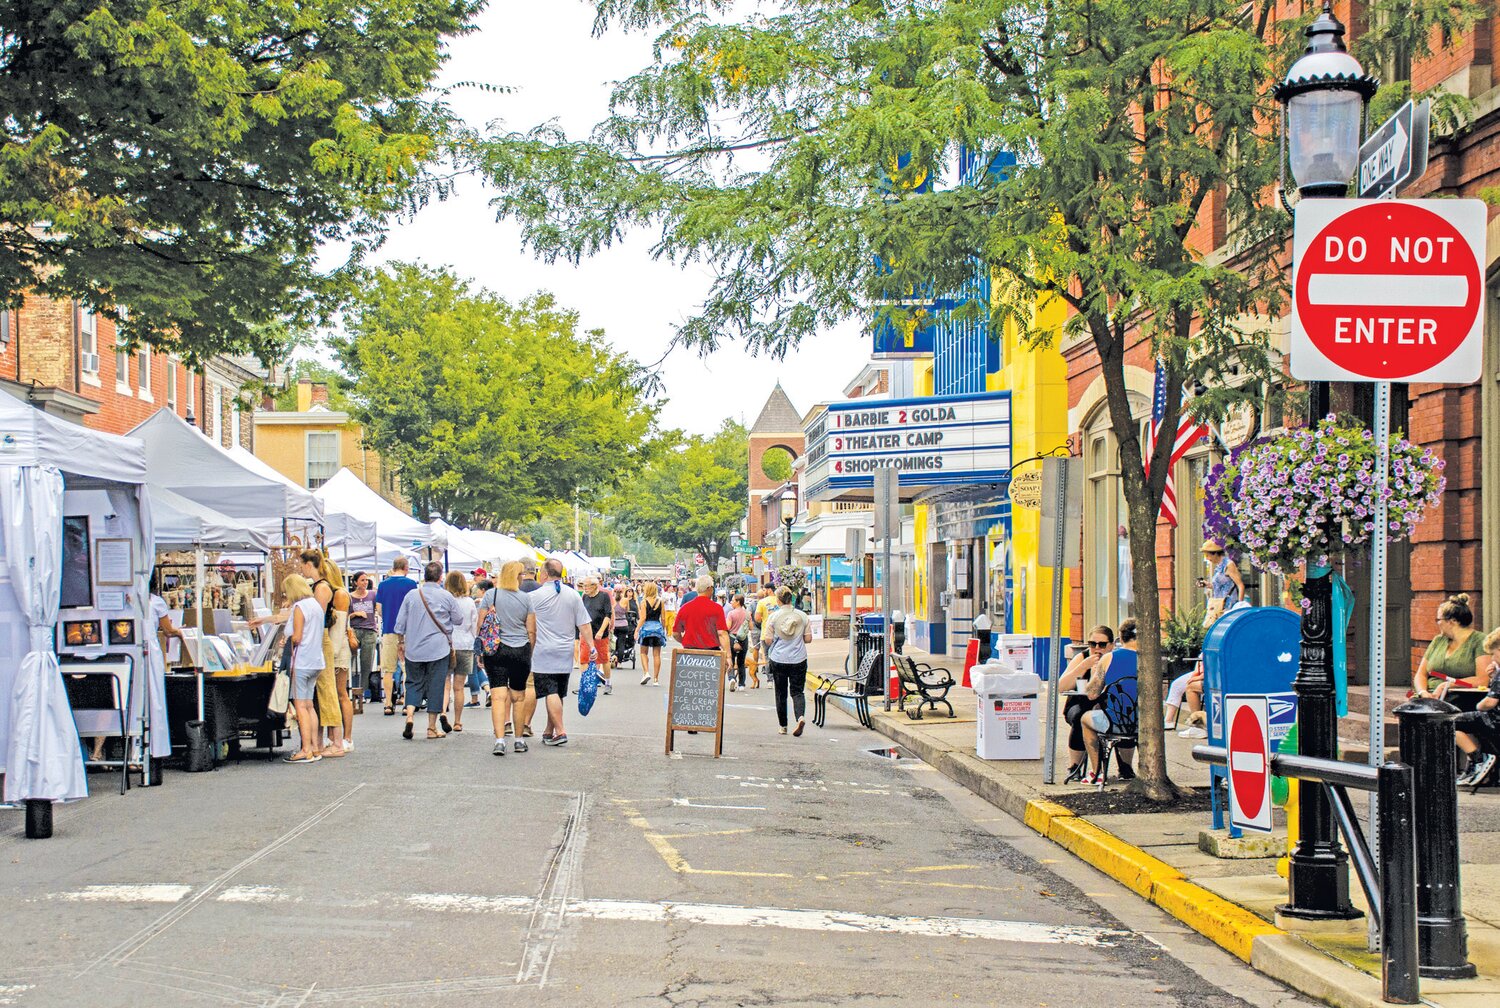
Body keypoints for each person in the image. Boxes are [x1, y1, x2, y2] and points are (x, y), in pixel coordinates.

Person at [393, 561, 465, 740]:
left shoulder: (411, 595)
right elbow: (458, 619)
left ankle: (409, 716)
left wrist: (401, 642)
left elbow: (400, 623)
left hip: (414, 648)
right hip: (438, 649)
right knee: (436, 685)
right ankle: (431, 728)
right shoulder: (446, 596)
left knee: (413, 682)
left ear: (424, 576)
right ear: (441, 577)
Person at [526, 558, 591, 747]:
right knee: (556, 692)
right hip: (565, 650)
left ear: (544, 573)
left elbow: (527, 625)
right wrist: (591, 646)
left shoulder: (534, 597)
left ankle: (561, 731)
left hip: (543, 651)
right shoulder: (573, 595)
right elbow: (584, 624)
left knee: (550, 691)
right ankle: (549, 730)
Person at [480, 561, 533, 755]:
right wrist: (531, 650)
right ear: (517, 576)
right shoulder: (526, 599)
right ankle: (519, 740)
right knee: (518, 697)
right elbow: (531, 629)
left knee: (498, 697)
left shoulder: (490, 595)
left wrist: (481, 649)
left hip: (495, 650)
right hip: (520, 650)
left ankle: (500, 740)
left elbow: (481, 624)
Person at [1079, 618, 1139, 784]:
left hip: (1115, 720)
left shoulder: (1109, 658)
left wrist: (1093, 672)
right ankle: (1126, 769)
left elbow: (1091, 694)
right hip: (1144, 722)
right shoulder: (1149, 660)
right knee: (1130, 718)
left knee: (1085, 719)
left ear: (1121, 637)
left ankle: (1097, 771)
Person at [1057, 626, 1114, 783]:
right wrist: (1083, 667)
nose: (1096, 648)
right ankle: (1074, 766)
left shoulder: (1113, 659)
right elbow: (1060, 686)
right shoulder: (1082, 658)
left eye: (1102, 645)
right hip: (1079, 703)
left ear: (1111, 645)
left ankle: (1125, 766)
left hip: (1105, 705)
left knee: (1122, 719)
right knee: (1079, 717)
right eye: (1092, 644)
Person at [283, 575, 327, 764]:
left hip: (301, 661)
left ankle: (306, 749)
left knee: (301, 706)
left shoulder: (299, 607)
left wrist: (286, 639)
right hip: (316, 660)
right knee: (309, 706)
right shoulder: (316, 605)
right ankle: (315, 747)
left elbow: (297, 637)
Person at [1414, 593, 1489, 697]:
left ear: (1453, 621)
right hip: (1429, 698)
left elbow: (1483, 680)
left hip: (1459, 699)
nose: (1437, 623)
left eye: (1439, 620)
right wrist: (1423, 692)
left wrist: (1449, 685)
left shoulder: (1479, 641)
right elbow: (1421, 674)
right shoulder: (1438, 640)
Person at [319, 556, 356, 753]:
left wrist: (329, 654)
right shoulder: (332, 593)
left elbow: (339, 627)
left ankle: (347, 737)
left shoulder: (340, 594)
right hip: (333, 648)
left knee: (341, 693)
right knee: (331, 694)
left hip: (338, 650)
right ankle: (332, 736)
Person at [1455, 628, 1500, 786]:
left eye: (1494, 654)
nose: (1493, 659)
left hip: (1495, 721)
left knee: (1452, 722)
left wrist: (1478, 705)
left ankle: (1477, 758)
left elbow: (1490, 702)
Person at [765, 587, 812, 735]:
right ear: (790, 599)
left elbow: (768, 640)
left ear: (778, 600)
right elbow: (808, 639)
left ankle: (783, 726)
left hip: (779, 659)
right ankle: (800, 717)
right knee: (797, 691)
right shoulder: (802, 616)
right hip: (798, 659)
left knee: (781, 693)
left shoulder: (773, 617)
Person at [375, 557, 418, 715]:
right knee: (408, 667)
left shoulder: (383, 585)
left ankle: (388, 703)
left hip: (388, 629)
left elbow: (379, 609)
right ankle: (407, 702)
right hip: (408, 631)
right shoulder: (411, 585)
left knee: (388, 669)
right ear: (406, 568)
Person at [444, 571, 478, 732]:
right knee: (459, 687)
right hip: (465, 644)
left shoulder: (444, 600)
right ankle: (457, 721)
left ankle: (443, 714)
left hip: (447, 644)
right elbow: (474, 624)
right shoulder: (469, 602)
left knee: (445, 684)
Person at [674, 574, 729, 652]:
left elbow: (676, 633)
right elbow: (722, 633)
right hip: (712, 652)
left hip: (689, 652)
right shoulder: (717, 608)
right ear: (709, 588)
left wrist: (684, 641)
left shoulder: (685, 608)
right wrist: (728, 656)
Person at [579, 576, 615, 695]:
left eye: (586, 586)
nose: (584, 588)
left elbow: (608, 615)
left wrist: (601, 631)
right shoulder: (584, 597)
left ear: (594, 586)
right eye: (583, 586)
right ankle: (585, 684)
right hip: (587, 633)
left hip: (601, 634)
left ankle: (608, 683)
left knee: (603, 658)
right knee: (584, 659)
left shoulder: (604, 596)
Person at [348, 571, 380, 704]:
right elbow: (346, 616)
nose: (365, 582)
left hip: (369, 630)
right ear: (355, 582)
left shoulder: (372, 595)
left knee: (366, 662)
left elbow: (378, 609)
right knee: (351, 660)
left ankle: (363, 693)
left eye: (366, 580)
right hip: (355, 630)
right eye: (362, 580)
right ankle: (350, 689)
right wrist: (355, 614)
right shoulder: (349, 597)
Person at [1199, 542, 1245, 624]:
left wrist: (1239, 605)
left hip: (1228, 605)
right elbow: (1221, 586)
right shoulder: (1218, 566)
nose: (1208, 558)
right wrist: (1208, 585)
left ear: (1215, 553)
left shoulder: (1228, 565)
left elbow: (1240, 585)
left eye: (1208, 555)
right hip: (1218, 604)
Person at [637, 582, 668, 685]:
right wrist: (663, 629)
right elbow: (663, 618)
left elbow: (643, 618)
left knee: (643, 652)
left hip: (646, 629)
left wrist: (637, 629)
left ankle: (646, 672)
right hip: (657, 628)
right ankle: (656, 679)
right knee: (656, 655)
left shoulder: (644, 602)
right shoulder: (661, 601)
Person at [726, 594, 751, 691]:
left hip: (732, 638)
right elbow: (751, 627)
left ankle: (732, 678)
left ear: (738, 602)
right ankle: (741, 684)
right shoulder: (747, 613)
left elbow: (728, 627)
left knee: (730, 660)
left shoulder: (731, 614)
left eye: (732, 600)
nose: (731, 602)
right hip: (743, 639)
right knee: (741, 662)